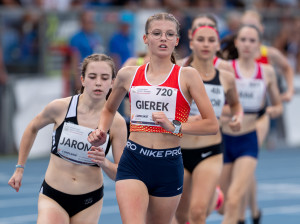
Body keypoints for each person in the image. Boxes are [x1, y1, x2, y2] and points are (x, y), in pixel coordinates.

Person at [88, 12, 219, 224]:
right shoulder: (128, 74)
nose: (163, 38)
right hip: (134, 161)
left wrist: (174, 125)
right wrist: (102, 130)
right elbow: (109, 109)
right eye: (157, 33)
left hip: (168, 163)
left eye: (169, 34)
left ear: (177, 40)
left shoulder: (187, 76)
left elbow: (211, 124)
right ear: (146, 39)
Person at [8, 54, 127, 223]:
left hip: (89, 201)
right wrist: (19, 168)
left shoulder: (117, 123)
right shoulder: (60, 108)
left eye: (104, 77)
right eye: (92, 77)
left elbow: (120, 174)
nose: (98, 82)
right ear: (83, 80)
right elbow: (31, 128)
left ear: (112, 82)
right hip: (54, 196)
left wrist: (104, 162)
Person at [174, 23, 243, 224]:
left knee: (197, 212)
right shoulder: (178, 74)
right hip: (179, 151)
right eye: (200, 39)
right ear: (192, 43)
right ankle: (217, 197)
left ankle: (214, 196)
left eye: (211, 40)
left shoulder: (226, 78)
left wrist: (237, 116)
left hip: (210, 151)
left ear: (217, 47)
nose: (206, 44)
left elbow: (236, 105)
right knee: (181, 215)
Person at [218, 25, 283, 224]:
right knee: (223, 203)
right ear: (236, 42)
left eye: (252, 40)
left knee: (236, 197)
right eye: (243, 40)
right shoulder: (226, 69)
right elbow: (214, 103)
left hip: (248, 140)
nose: (247, 44)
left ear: (259, 45)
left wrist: (273, 110)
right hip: (224, 140)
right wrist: (229, 112)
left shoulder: (267, 72)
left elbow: (278, 105)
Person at [69, 10, 104, 93]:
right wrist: (78, 79)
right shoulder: (76, 38)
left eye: (92, 21)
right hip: (83, 76)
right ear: (82, 22)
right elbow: (74, 59)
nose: (90, 24)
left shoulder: (97, 37)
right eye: (88, 22)